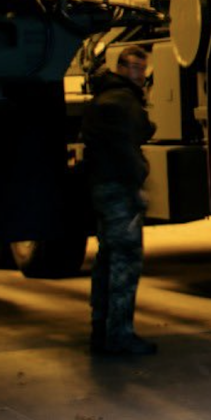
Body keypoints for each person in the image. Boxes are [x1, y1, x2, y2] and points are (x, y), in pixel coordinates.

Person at [83, 43, 157, 356]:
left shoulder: (105, 98)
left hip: (103, 187)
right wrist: (137, 181)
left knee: (107, 258)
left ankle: (101, 331)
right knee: (125, 262)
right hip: (119, 189)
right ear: (121, 68)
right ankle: (119, 335)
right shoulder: (121, 102)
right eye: (135, 68)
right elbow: (125, 149)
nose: (141, 75)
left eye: (144, 68)